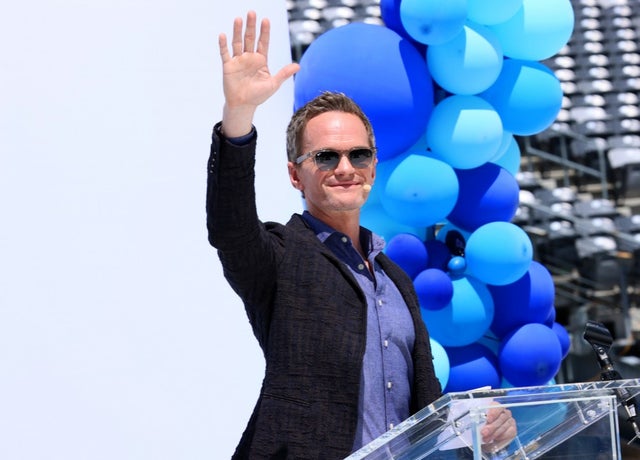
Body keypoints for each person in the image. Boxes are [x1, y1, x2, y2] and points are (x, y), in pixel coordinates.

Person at [209, 11, 516, 459]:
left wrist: (478, 430)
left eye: (359, 155)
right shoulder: (281, 258)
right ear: (296, 175)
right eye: (326, 157)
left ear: (373, 168)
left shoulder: (395, 279)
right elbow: (230, 227)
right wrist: (238, 116)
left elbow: (421, 409)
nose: (345, 168)